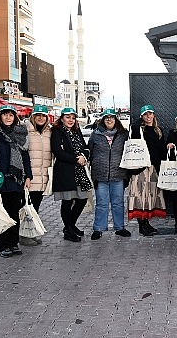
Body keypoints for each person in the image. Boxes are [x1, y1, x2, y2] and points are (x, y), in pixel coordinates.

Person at [0, 105, 32, 258]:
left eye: (11, 115)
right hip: (0, 180)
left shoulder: (20, 134)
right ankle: (3, 245)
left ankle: (13, 243)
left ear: (15, 117)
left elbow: (25, 157)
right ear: (0, 117)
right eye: (5, 115)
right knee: (2, 213)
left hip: (17, 180)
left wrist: (28, 176)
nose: (8, 118)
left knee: (14, 213)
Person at [88, 109, 131, 240]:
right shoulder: (95, 135)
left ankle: (120, 227)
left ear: (116, 119)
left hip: (118, 174)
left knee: (118, 202)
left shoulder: (123, 134)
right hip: (100, 175)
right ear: (103, 119)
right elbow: (89, 151)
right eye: (106, 117)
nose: (109, 119)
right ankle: (98, 228)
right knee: (101, 203)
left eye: (112, 117)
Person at [50, 107, 92, 242]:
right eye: (68, 117)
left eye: (73, 118)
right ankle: (68, 229)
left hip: (79, 170)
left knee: (82, 199)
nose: (71, 120)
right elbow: (58, 152)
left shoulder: (76, 130)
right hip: (65, 171)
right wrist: (76, 159)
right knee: (67, 201)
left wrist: (84, 156)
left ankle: (71, 224)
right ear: (62, 118)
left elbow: (85, 147)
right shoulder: (57, 132)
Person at [127, 104, 166, 236]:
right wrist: (139, 121)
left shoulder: (158, 130)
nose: (148, 116)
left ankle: (147, 223)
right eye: (145, 114)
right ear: (142, 117)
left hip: (153, 167)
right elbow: (133, 129)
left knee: (150, 196)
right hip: (140, 168)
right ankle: (141, 226)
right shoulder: (138, 129)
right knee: (140, 196)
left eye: (150, 114)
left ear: (154, 115)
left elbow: (161, 150)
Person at [21, 104, 52, 246]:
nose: (40, 118)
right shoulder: (24, 130)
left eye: (43, 115)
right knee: (25, 207)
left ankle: (31, 232)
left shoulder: (49, 132)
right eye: (38, 115)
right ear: (33, 116)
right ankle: (23, 235)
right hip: (28, 177)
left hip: (42, 177)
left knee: (34, 207)